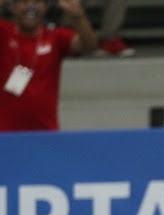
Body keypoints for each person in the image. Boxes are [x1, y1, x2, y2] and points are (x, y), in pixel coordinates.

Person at [0, 0, 96, 131]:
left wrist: (78, 16)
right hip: (4, 133)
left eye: (37, 2)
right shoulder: (4, 32)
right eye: (24, 2)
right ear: (13, 7)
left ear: (45, 7)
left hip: (46, 131)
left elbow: (89, 46)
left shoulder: (56, 36)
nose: (30, 6)